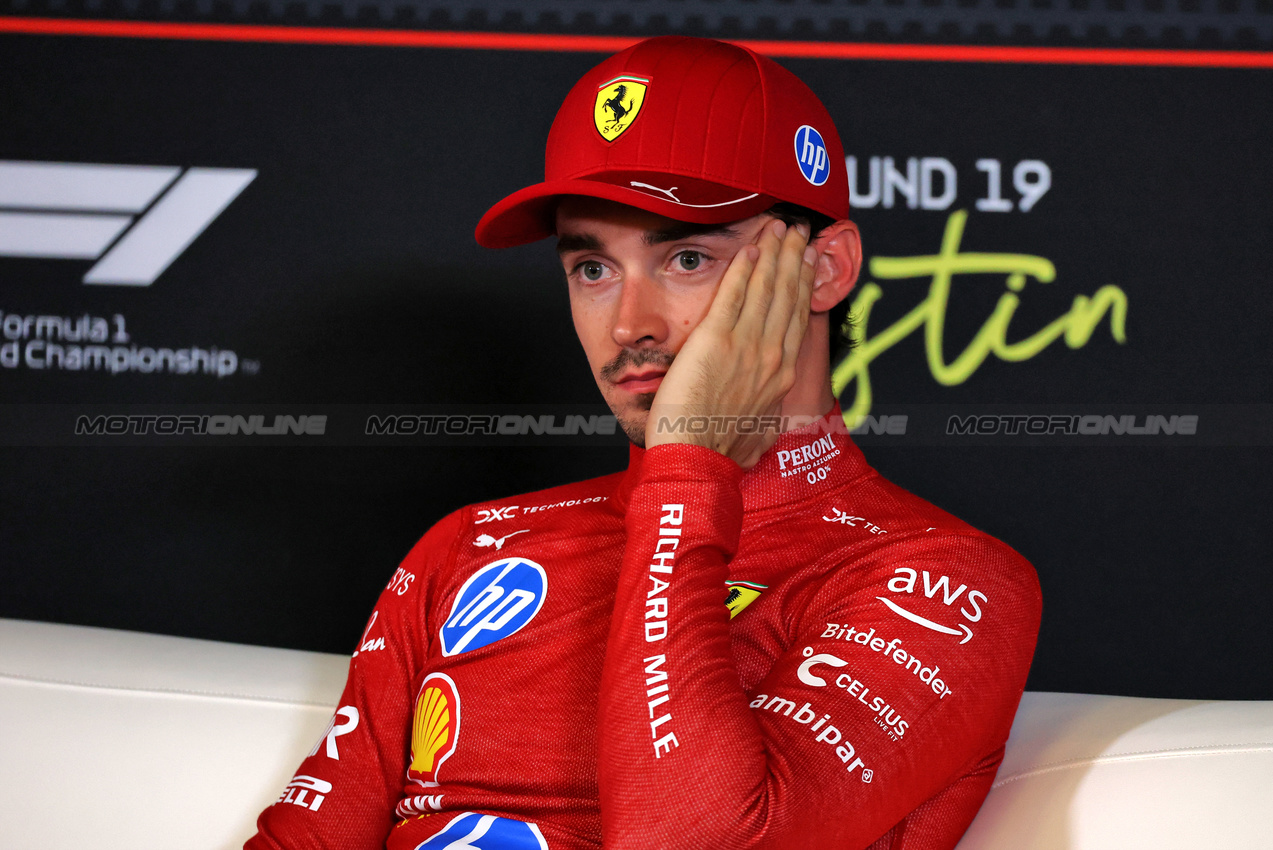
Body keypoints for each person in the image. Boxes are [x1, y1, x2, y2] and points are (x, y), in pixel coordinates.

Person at [247, 35, 1041, 850]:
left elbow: (692, 843)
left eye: (687, 257)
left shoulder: (944, 581)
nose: (629, 326)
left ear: (824, 268)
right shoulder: (471, 545)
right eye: (592, 268)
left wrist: (687, 466)